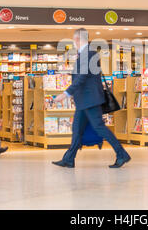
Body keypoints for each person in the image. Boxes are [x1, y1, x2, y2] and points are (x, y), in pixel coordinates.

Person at [52, 28, 131, 168]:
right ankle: (69, 159)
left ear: (77, 39)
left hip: (90, 99)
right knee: (77, 129)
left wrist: (66, 94)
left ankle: (122, 154)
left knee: (100, 128)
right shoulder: (85, 54)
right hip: (85, 100)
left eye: (73, 40)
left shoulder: (88, 54)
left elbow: (82, 77)